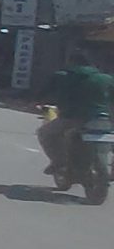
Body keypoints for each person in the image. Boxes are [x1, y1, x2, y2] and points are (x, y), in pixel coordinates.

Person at [39, 47, 114, 179]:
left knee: (45, 133)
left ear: (71, 62)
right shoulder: (106, 78)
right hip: (105, 118)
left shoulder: (64, 75)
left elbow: (46, 92)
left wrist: (34, 101)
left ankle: (59, 162)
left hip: (74, 118)